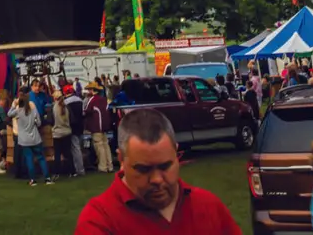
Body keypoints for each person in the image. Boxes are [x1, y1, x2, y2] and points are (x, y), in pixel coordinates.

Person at [74, 109, 241, 234]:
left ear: (176, 154)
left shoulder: (208, 207)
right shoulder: (99, 220)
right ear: (122, 160)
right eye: (143, 169)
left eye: (164, 166)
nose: (157, 179)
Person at [9, 90, 47, 186]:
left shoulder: (18, 111)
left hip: (24, 139)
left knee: (29, 159)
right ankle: (47, 178)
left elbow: (9, 114)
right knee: (41, 158)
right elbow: (39, 123)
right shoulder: (33, 110)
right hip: (35, 137)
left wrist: (14, 104)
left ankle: (32, 180)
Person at [82, 83, 114, 174]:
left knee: (99, 147)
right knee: (106, 146)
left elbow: (87, 111)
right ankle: (110, 166)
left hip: (96, 127)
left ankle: (103, 167)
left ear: (92, 90)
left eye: (89, 90)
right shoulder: (104, 100)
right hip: (105, 127)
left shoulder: (92, 100)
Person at [63, 84, 88, 176]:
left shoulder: (65, 102)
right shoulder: (80, 100)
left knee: (75, 149)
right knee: (79, 147)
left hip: (72, 127)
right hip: (80, 126)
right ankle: (80, 168)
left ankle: (80, 170)